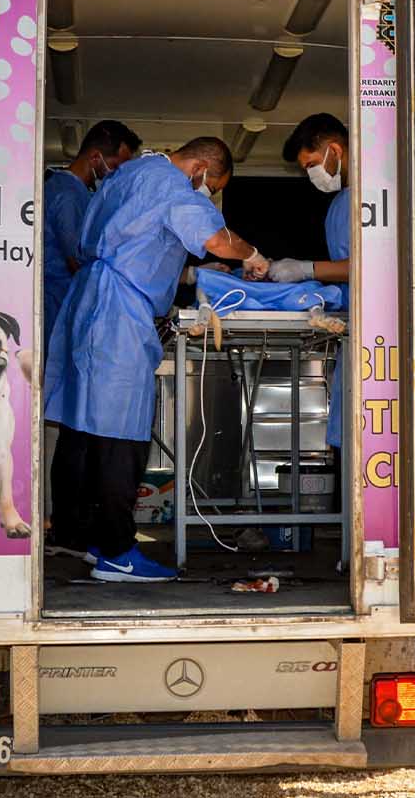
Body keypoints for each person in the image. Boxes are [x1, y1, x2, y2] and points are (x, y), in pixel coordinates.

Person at [44, 137, 270, 583]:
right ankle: (118, 552)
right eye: (212, 186)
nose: (207, 193)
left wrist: (185, 273)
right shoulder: (171, 185)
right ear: (203, 167)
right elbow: (216, 240)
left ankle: (82, 537)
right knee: (120, 432)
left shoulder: (129, 174)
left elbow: (133, 244)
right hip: (119, 313)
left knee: (84, 428)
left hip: (90, 301)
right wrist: (253, 254)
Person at [273, 113, 351, 450]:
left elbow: (372, 267)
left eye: (311, 164)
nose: (311, 175)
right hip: (353, 328)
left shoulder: (376, 195)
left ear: (335, 149)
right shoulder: (338, 206)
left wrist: (306, 270)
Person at [43, 121, 142, 350]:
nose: (119, 176)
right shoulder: (67, 195)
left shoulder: (79, 194)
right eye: (117, 167)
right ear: (96, 158)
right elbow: (78, 262)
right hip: (56, 304)